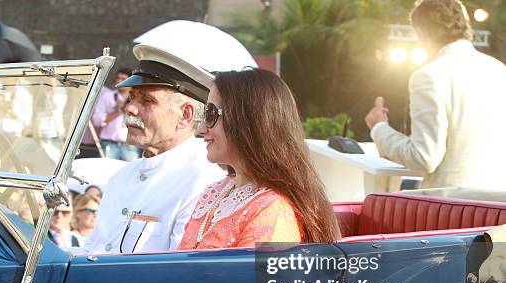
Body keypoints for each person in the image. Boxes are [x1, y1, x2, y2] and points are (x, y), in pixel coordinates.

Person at [74, 44, 224, 255]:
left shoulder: (203, 183)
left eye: (148, 101)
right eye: (132, 97)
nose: (130, 108)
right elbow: (93, 249)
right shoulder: (122, 177)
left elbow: (180, 270)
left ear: (185, 115)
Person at [178, 69, 340, 250]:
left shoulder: (273, 211)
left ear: (248, 121)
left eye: (210, 114)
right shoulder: (217, 193)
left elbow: (251, 278)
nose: (200, 129)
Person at [365, 0, 506, 190]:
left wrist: (379, 128)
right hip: (499, 204)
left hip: (454, 207)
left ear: (421, 32)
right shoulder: (499, 70)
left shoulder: (430, 75)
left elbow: (423, 157)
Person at [79, 68, 140, 161]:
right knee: (107, 173)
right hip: (109, 144)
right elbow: (97, 120)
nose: (119, 81)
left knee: (133, 173)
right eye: (118, 78)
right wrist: (117, 111)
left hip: (130, 146)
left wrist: (126, 110)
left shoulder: (137, 100)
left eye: (123, 79)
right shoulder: (108, 97)